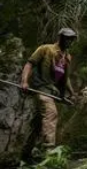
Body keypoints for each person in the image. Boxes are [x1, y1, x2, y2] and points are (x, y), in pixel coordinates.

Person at [20, 28, 77, 160]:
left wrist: (71, 93)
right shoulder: (45, 49)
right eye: (66, 38)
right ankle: (49, 150)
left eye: (71, 39)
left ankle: (26, 154)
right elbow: (29, 64)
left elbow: (64, 77)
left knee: (38, 122)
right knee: (51, 113)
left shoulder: (67, 57)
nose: (69, 41)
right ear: (60, 38)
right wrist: (24, 81)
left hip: (53, 90)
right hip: (40, 87)